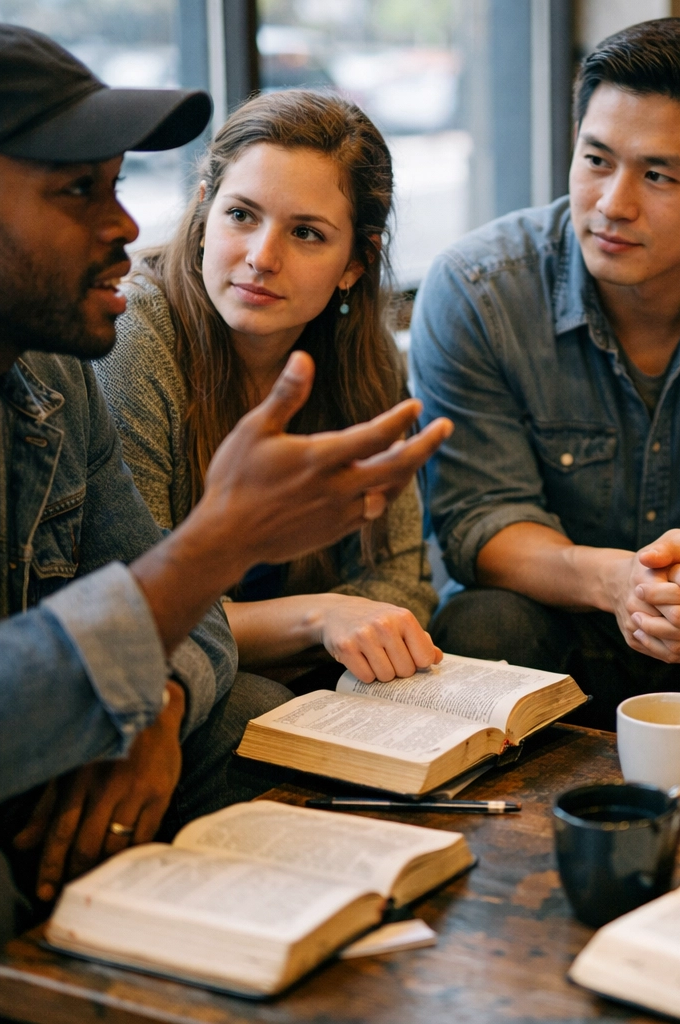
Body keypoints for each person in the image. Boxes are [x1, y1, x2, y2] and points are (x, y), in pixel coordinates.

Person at [0, 23, 449, 1022]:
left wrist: (156, 705)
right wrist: (222, 540)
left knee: (245, 724)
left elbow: (187, 626)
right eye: (79, 192)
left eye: (119, 186)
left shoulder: (42, 367)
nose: (127, 226)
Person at [411, 18, 680, 728]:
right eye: (595, 160)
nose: (612, 204)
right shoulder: (478, 288)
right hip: (564, 623)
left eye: (656, 175)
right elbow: (477, 520)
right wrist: (620, 583)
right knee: (479, 625)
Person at [98, 89, 439, 690]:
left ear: (354, 264)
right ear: (203, 213)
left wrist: (341, 627)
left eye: (306, 233)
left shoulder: (363, 353)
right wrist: (318, 616)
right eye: (241, 215)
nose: (261, 257)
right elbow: (136, 612)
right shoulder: (133, 338)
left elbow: (400, 577)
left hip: (311, 679)